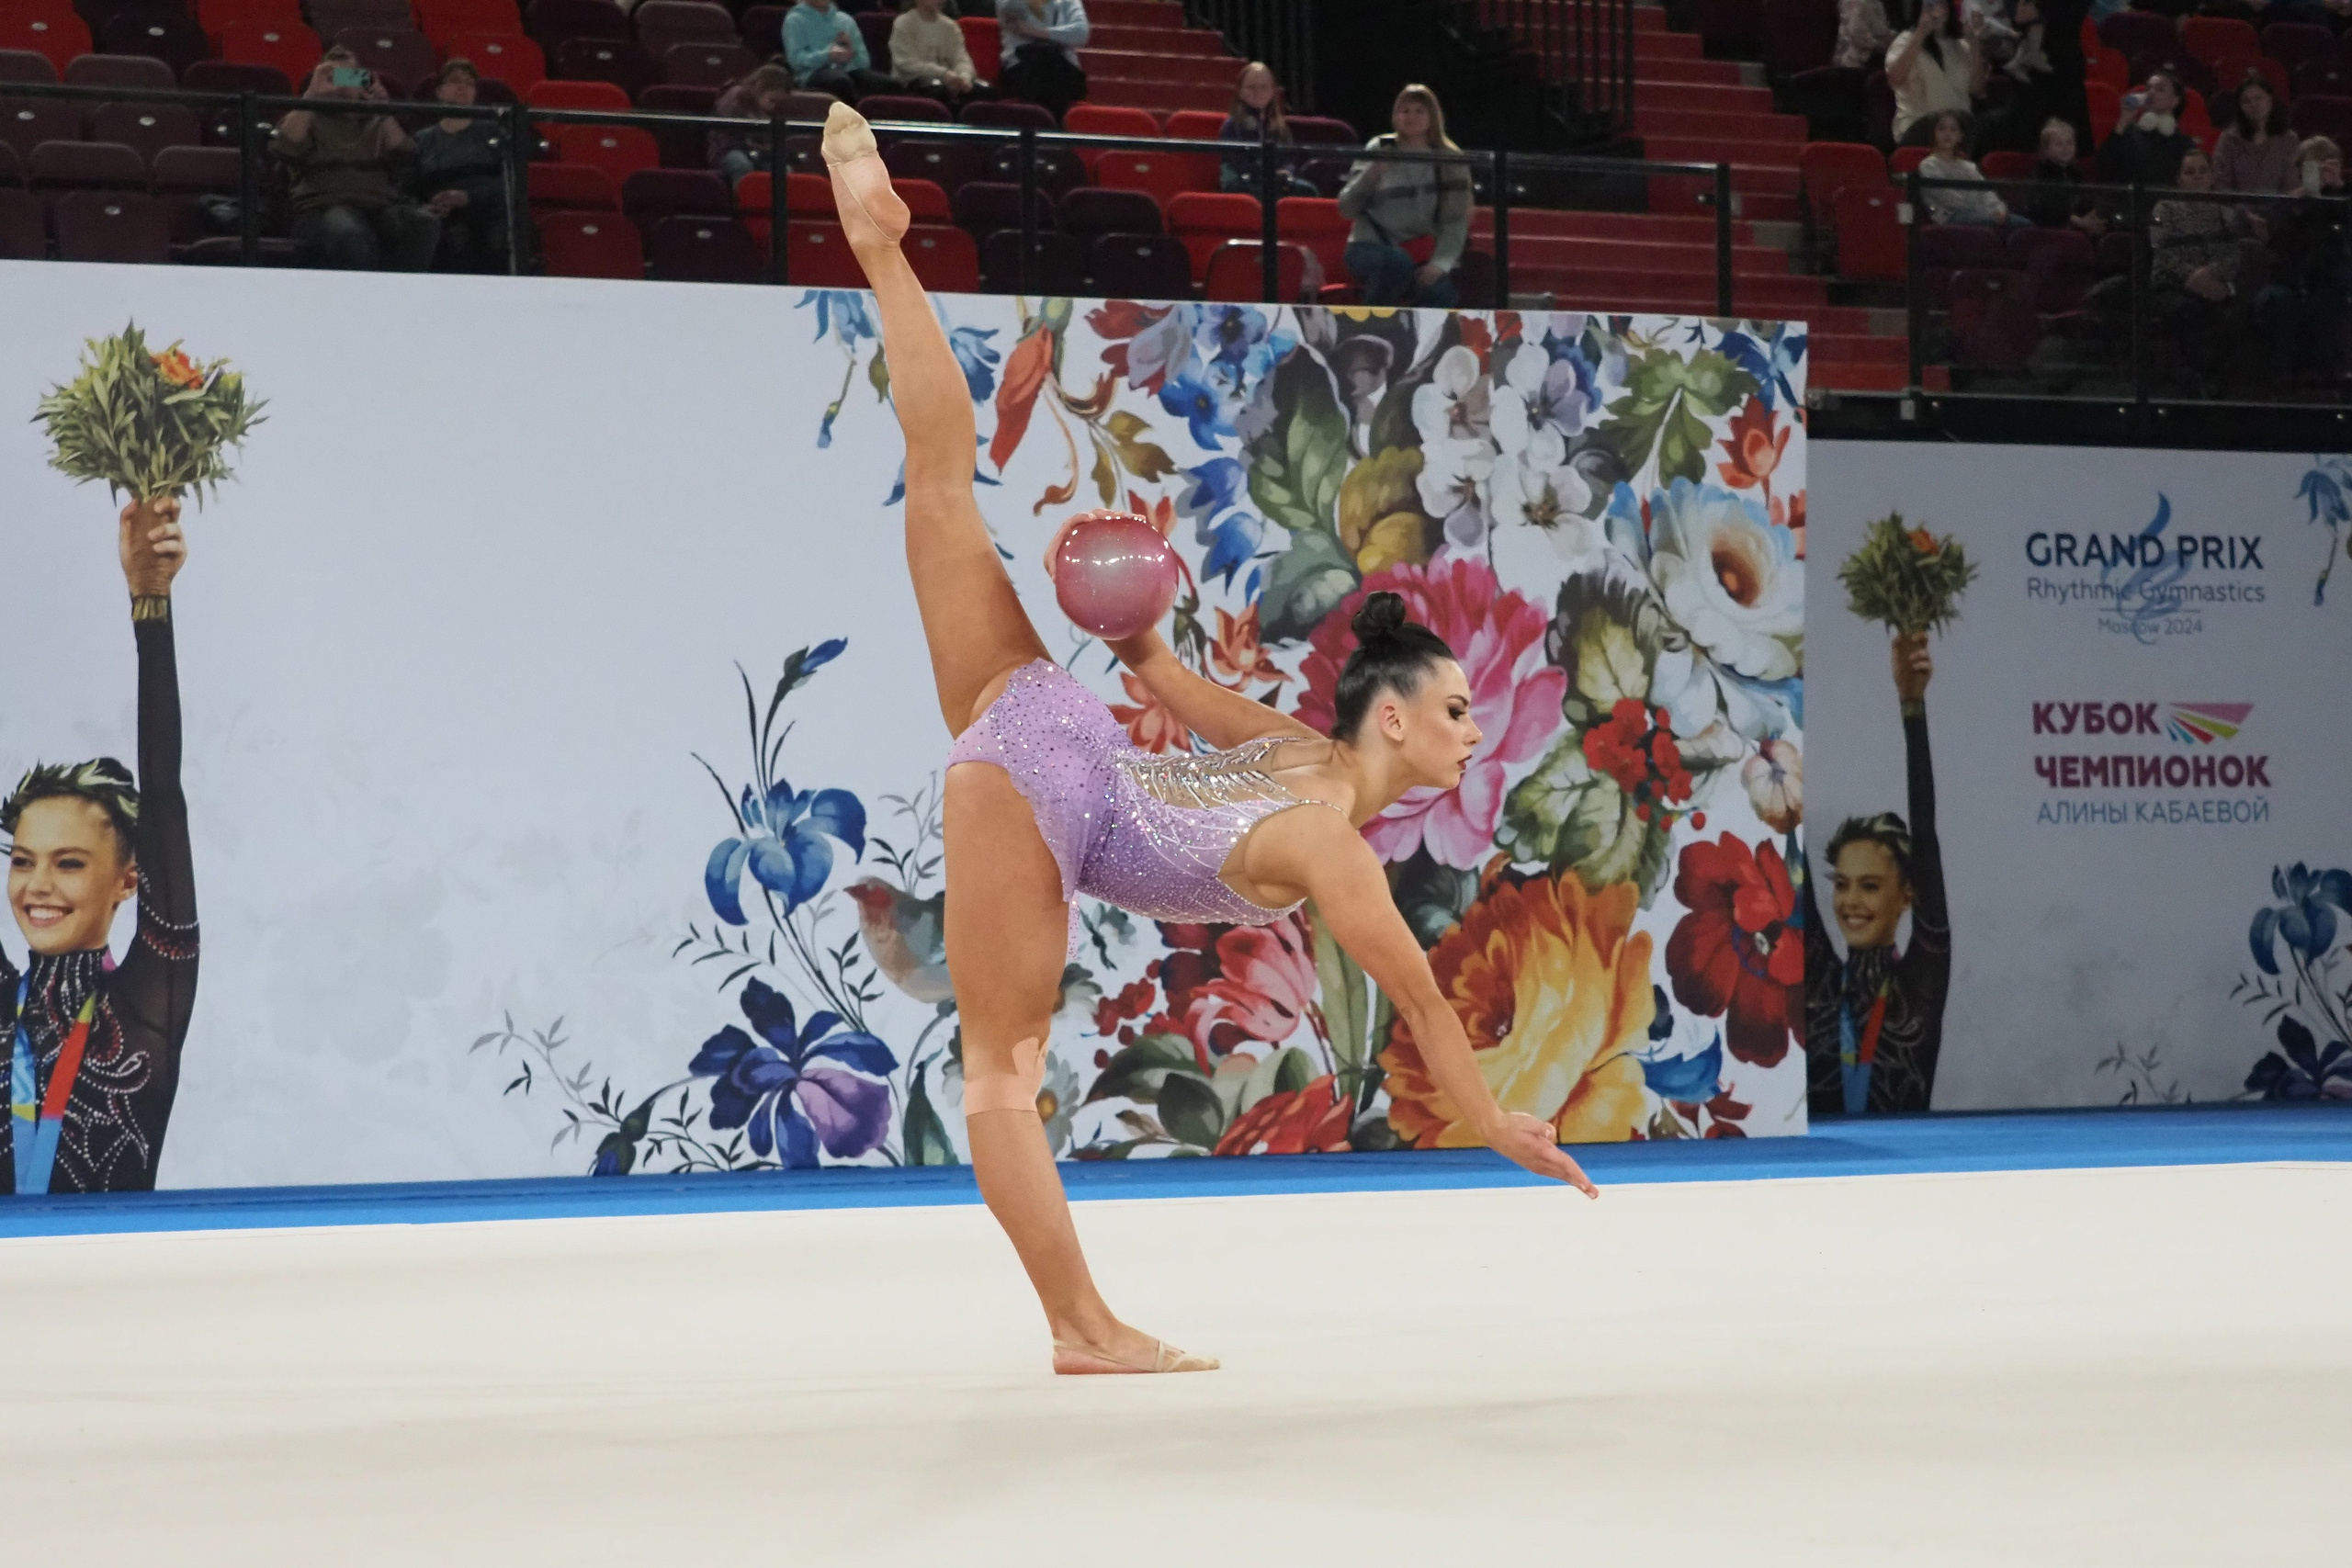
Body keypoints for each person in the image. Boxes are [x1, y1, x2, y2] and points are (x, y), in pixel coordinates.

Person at [817, 100, 1598, 1374]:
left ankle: (884, 251)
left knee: (945, 479)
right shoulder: (1332, 839)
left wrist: (1124, 598)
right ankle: (1084, 1327)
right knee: (1002, 1071)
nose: (1474, 729)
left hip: (1042, 720)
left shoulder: (1295, 750)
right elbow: (1413, 997)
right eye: (1459, 709)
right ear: (1389, 716)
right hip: (1050, 789)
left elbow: (1153, 668)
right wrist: (1493, 1119)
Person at [3, 498, 199, 1194]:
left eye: (70, 862)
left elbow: (165, 794)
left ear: (128, 878)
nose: (37, 886)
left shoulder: (147, 1002)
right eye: (22, 860)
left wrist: (151, 605)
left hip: (119, 1297)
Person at [1802, 632, 1949, 1117]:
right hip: (1823, 1166)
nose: (1851, 902)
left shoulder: (1921, 981)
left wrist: (1912, 707)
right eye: (1841, 885)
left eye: (1870, 886)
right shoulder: (1821, 977)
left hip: (1910, 1172)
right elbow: (1786, 844)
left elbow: (1924, 833)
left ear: (1907, 895)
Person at [271, 48, 437, 272]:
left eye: (350, 75)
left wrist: (382, 108)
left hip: (379, 206)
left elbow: (403, 153)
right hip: (323, 207)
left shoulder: (376, 118)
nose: (341, 82)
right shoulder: (306, 115)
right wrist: (311, 95)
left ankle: (403, 295)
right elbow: (287, 145)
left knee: (422, 222)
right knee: (347, 229)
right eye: (333, 76)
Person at [1337, 85, 1474, 309]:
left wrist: (1439, 264)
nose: (1411, 116)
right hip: (1370, 246)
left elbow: (1455, 219)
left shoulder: (1450, 158)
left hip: (1423, 251)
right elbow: (1346, 209)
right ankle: (1373, 329)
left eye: (1419, 111)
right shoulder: (1381, 146)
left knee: (1440, 294)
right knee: (1395, 263)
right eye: (1405, 110)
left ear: (1433, 115)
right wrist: (1372, 173)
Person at [2148, 146, 2247, 389]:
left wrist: (2211, 274)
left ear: (2212, 177)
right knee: (2191, 311)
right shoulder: (2165, 208)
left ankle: (2219, 383)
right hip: (2173, 285)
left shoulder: (2225, 212)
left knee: (2238, 312)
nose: (2198, 176)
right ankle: (2192, 384)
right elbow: (2163, 253)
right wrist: (2191, 277)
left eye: (2203, 171)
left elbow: (2233, 254)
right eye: (2190, 172)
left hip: (2213, 282)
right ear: (2179, 179)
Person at [2256, 137, 2349, 386]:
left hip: (2330, 281)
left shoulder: (2344, 200)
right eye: (2312, 167)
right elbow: (2276, 241)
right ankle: (2283, 378)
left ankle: (2329, 378)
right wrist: (2300, 203)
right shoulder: (2286, 203)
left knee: (2328, 301)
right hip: (2287, 280)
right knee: (2281, 301)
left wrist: (2337, 189)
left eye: (2326, 166)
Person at [413, 60, 509, 275]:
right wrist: (431, 203)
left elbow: (508, 183)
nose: (462, 87)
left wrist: (468, 197)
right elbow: (414, 183)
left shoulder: (492, 132)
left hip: (488, 211)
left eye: (469, 83)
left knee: (494, 239)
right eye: (455, 81)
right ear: (439, 91)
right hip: (443, 215)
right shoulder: (423, 139)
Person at [1886, 0, 1987, 145]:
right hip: (1919, 127)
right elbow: (1895, 79)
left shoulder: (1961, 46)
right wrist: (1921, 33)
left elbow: (1977, 89)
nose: (1939, 11)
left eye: (1943, 5)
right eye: (1931, 5)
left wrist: (1975, 42)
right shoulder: (1904, 41)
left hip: (1957, 129)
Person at [1217, 61, 1316, 198]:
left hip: (1274, 181)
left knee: (1307, 190)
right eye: (1251, 87)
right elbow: (1236, 162)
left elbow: (1290, 158)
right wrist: (1267, 173)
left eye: (1264, 87)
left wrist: (1286, 173)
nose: (1258, 92)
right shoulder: (1232, 126)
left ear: (1272, 92)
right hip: (1243, 182)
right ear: (1240, 92)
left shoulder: (1279, 126)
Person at [1917, 109, 2024, 223]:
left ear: (1960, 136)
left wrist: (1998, 209)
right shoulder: (1928, 166)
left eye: (1953, 129)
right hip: (1951, 219)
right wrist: (1987, 213)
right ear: (1933, 133)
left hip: (1982, 214)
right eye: (1942, 129)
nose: (1947, 134)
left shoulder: (1968, 166)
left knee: (2024, 225)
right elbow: (1951, 201)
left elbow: (1986, 192)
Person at [2096, 71, 2195, 187]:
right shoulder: (2128, 133)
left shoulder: (2183, 143)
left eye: (2160, 89)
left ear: (2175, 101)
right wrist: (2123, 121)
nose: (2151, 93)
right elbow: (2104, 169)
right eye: (2148, 89)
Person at [995, 0, 1090, 121]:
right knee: (1042, 73)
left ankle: (1052, 129)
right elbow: (1011, 9)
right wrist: (1060, 34)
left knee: (1056, 71)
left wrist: (1037, 32)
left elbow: (1081, 34)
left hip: (1062, 65)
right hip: (1020, 64)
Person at [784, 0, 894, 103]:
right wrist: (828, 55)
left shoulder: (846, 20)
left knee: (888, 85)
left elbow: (864, 61)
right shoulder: (794, 20)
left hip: (849, 70)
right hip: (812, 73)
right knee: (840, 82)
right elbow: (796, 60)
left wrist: (850, 55)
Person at [711, 62, 795, 189]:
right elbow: (725, 133)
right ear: (760, 88)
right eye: (772, 100)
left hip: (758, 151)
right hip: (727, 149)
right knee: (741, 164)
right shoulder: (735, 96)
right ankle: (743, 206)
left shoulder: (772, 110)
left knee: (782, 168)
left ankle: (775, 207)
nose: (773, 107)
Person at [2212, 73, 2298, 196]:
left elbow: (2292, 184)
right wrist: (2244, 213)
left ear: (2270, 100)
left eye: (2258, 98)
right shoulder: (2228, 140)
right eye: (2246, 101)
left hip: (2279, 211)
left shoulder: (2289, 139)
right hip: (2238, 211)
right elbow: (2222, 185)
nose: (2254, 105)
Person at [889, 0, 987, 109]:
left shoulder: (950, 26)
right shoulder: (904, 23)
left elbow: (962, 59)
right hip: (915, 85)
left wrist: (964, 78)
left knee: (985, 92)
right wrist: (943, 74)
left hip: (950, 83)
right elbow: (905, 64)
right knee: (938, 92)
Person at [2023, 117, 2105, 232]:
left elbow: (2086, 200)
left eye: (2069, 143)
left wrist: (2094, 215)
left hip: (2080, 225)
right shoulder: (2041, 173)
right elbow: (2045, 210)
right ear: (2046, 149)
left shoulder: (2075, 173)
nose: (2065, 148)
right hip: (2051, 230)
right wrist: (2080, 222)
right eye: (2059, 144)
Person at [1835, 0, 1895, 70]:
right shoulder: (1859, 3)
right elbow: (1858, 36)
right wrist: (1884, 45)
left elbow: (1882, 31)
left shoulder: (1877, 4)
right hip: (1854, 63)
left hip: (1874, 58)